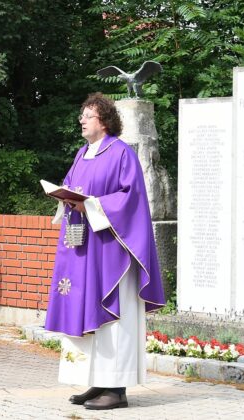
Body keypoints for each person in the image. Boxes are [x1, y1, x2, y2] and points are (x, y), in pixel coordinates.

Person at [44, 93, 166, 410]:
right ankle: (97, 381)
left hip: (114, 251)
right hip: (84, 247)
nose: (81, 120)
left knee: (115, 316)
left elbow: (131, 199)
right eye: (82, 115)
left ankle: (117, 388)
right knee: (87, 310)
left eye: (87, 115)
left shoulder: (122, 154)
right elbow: (73, 187)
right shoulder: (82, 153)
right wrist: (66, 198)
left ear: (105, 121)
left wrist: (91, 204)